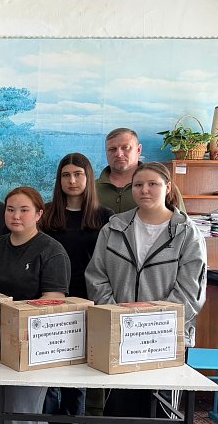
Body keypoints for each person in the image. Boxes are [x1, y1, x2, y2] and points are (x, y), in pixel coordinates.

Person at [86, 162, 207, 418]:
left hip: (166, 338)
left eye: (153, 184)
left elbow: (190, 291)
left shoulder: (187, 233)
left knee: (160, 411)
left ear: (168, 187)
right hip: (120, 335)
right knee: (119, 410)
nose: (145, 190)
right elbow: (97, 276)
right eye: (138, 185)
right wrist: (117, 317)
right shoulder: (114, 227)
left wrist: (151, 325)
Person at [0, 187, 71, 424]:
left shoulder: (52, 251)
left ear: (39, 214)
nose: (16, 216)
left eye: (24, 210)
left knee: (21, 414)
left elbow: (54, 300)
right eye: (10, 210)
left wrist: (15, 317)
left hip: (31, 344)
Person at [39, 153, 112, 419]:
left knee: (78, 371)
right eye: (66, 175)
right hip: (51, 298)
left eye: (78, 174)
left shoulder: (105, 216)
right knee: (47, 366)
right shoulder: (46, 213)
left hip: (88, 300)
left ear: (88, 177)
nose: (72, 181)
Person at [96, 127, 184, 213]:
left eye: (125, 147)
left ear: (138, 150)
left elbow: (180, 220)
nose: (119, 154)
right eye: (112, 149)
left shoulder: (162, 186)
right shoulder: (92, 188)